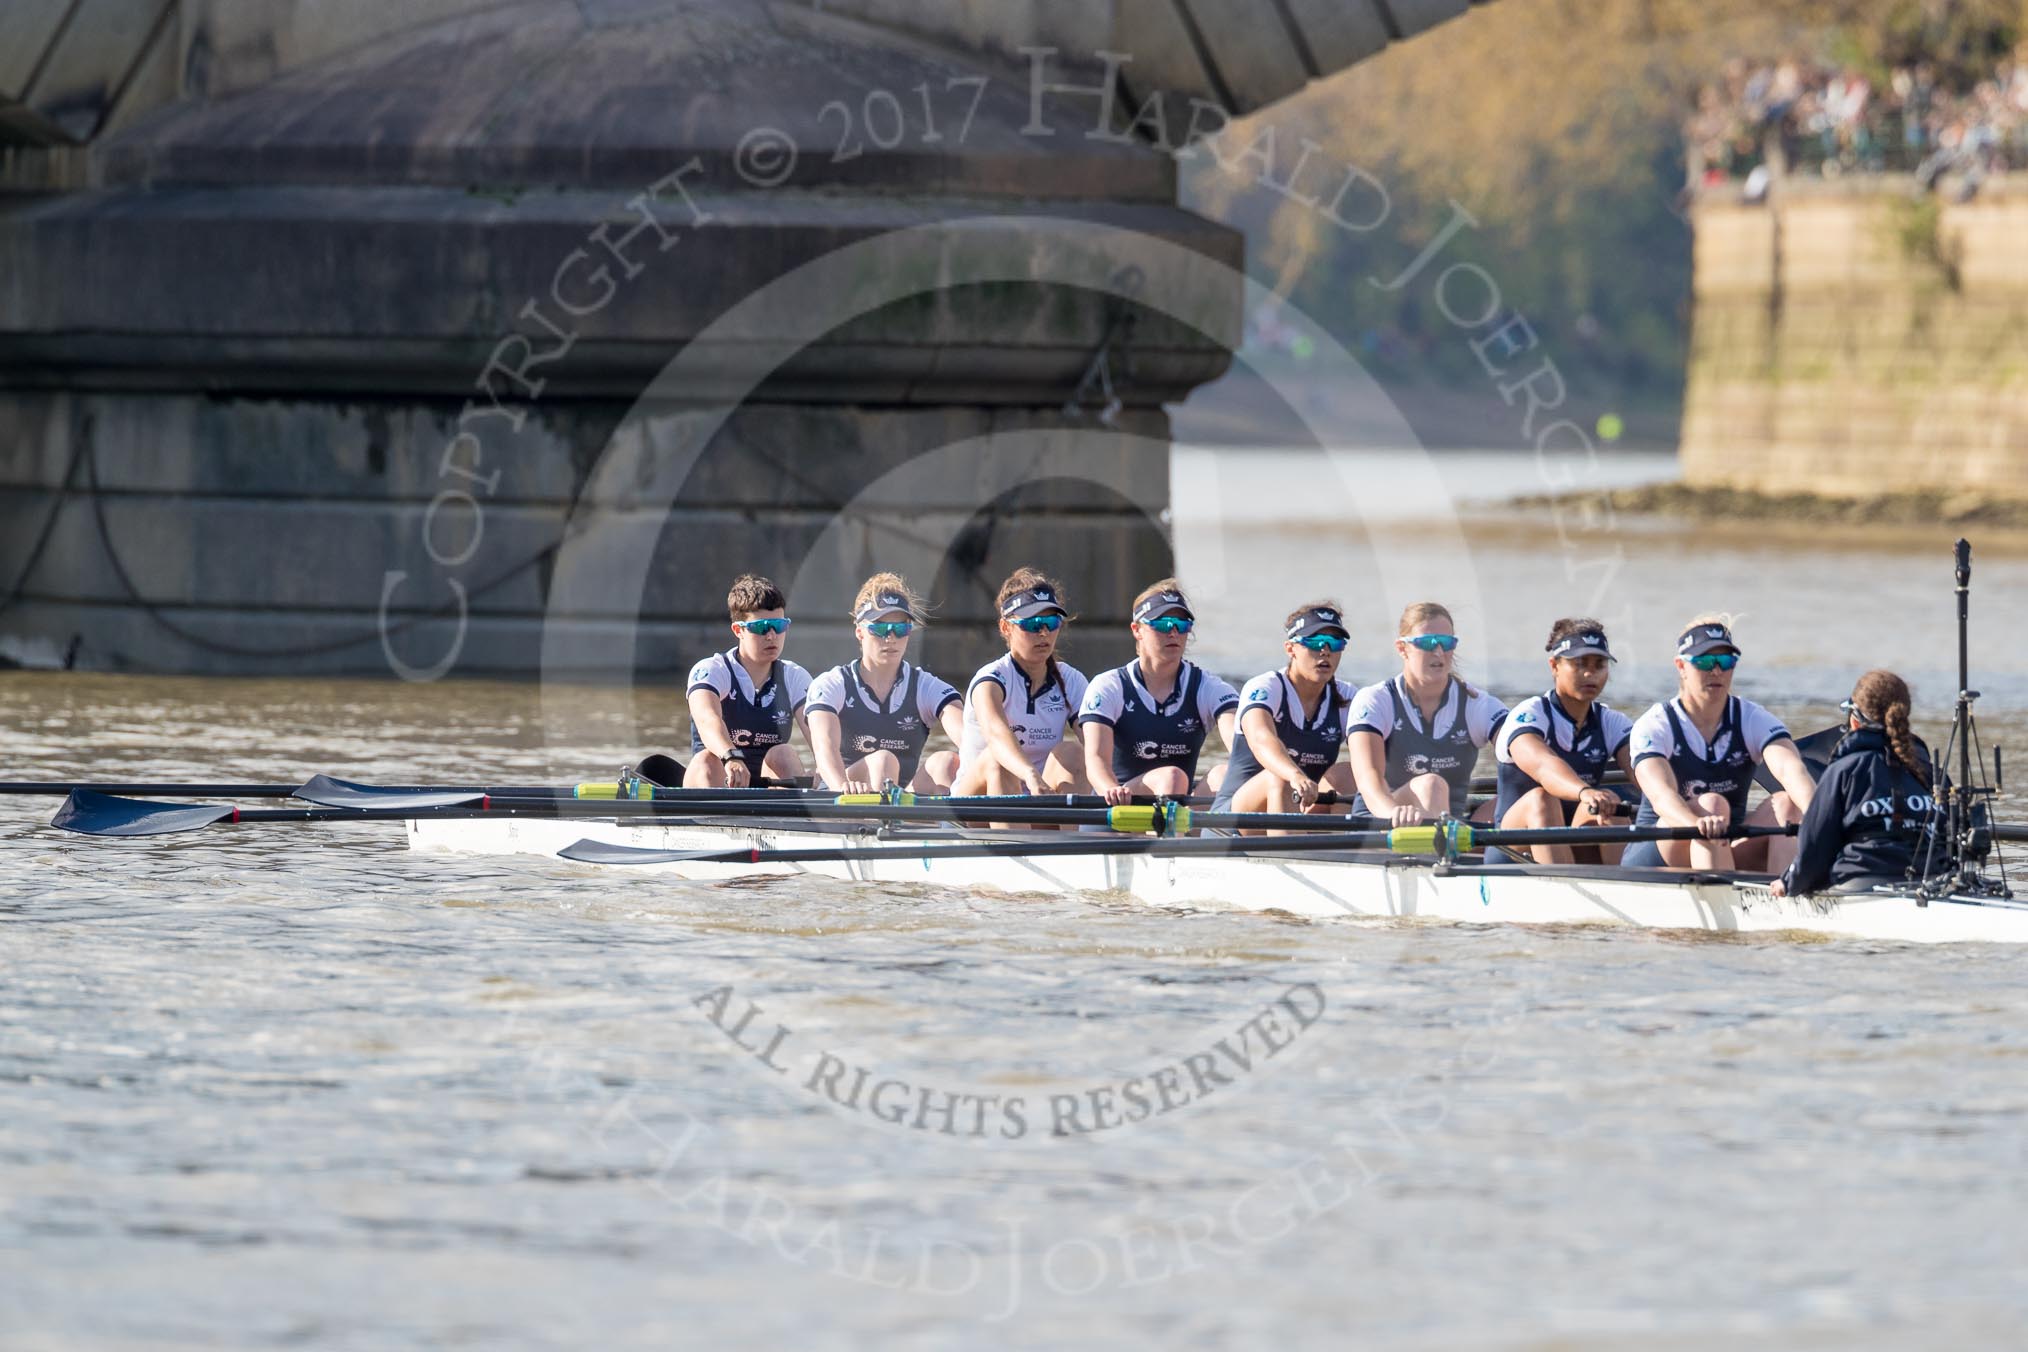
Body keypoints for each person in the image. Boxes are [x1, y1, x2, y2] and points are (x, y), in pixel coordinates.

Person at [1624, 616, 1816, 874]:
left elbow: (1791, 770)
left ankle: (1788, 897)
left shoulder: (1751, 718)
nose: (1716, 671)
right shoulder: (1655, 725)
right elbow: (1662, 797)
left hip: (1725, 846)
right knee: (1712, 805)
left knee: (1787, 803)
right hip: (1658, 851)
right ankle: (1729, 901)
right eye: (1704, 662)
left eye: (1725, 662)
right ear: (1681, 666)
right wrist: (1697, 825)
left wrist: (1820, 815)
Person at [1772, 670, 1941, 897]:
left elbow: (1815, 845)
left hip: (1861, 884)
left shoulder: (1844, 771)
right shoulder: (1932, 773)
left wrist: (1790, 882)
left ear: (1854, 719)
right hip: (1934, 882)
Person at [1347, 602, 1508, 827]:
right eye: (1427, 643)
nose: (1439, 651)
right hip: (1380, 824)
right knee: (1431, 785)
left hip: (1450, 831)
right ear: (1402, 648)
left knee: (1530, 798)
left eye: (1446, 643)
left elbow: (1523, 749)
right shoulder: (1375, 700)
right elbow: (1369, 781)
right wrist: (1394, 813)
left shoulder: (1476, 704)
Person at [1080, 580, 1240, 805]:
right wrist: (1111, 789)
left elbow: (1239, 744)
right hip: (1117, 808)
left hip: (1177, 812)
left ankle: (1182, 836)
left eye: (1181, 624)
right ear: (1137, 630)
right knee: (1172, 777)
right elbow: (1095, 759)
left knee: (1224, 775)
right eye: (1163, 624)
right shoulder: (1109, 686)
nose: (1173, 632)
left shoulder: (1209, 687)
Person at [1493, 619, 1635, 865]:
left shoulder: (1612, 722)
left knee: (1610, 802)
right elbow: (1543, 766)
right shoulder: (1530, 714)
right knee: (1542, 799)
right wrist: (1585, 792)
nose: (1590, 673)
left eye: (1599, 665)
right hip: (1512, 851)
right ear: (1554, 666)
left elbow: (1646, 770)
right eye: (1579, 664)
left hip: (1571, 844)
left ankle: (1628, 892)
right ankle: (1562, 892)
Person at [806, 573, 964, 795]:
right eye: (880, 629)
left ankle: (920, 824)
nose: (890, 638)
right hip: (840, 796)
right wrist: (841, 787)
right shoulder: (832, 684)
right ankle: (891, 822)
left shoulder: (927, 687)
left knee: (947, 762)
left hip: (900, 801)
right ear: (860, 632)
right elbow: (825, 750)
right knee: (883, 760)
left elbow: (969, 739)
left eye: (900, 629)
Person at [1212, 602, 1359, 828]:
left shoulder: (1347, 696)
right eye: (1314, 642)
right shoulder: (1264, 688)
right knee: (1279, 778)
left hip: (1298, 809)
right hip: (1234, 821)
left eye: (1334, 643)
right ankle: (1293, 855)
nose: (1325, 651)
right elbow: (1262, 738)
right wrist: (1294, 775)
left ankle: (1346, 854)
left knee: (1347, 773)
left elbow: (1378, 749)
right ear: (1291, 649)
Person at [950, 568, 1090, 797]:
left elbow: (1095, 743)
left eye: (1051, 622)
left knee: (1074, 752)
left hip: (1039, 797)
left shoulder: (1071, 680)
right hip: (977, 807)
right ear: (1006, 627)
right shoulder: (991, 681)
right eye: (1033, 624)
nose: (1043, 633)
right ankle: (1011, 831)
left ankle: (1073, 831)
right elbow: (996, 735)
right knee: (998, 760)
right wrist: (1029, 774)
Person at [685, 573, 810, 788]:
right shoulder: (711, 670)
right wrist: (731, 756)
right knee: (707, 760)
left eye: (779, 626)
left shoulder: (794, 676)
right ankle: (713, 817)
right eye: (761, 628)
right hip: (719, 778)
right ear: (738, 630)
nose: (771, 636)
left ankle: (787, 817)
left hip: (768, 785)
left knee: (784, 754)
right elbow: (708, 720)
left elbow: (818, 733)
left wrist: (830, 771)